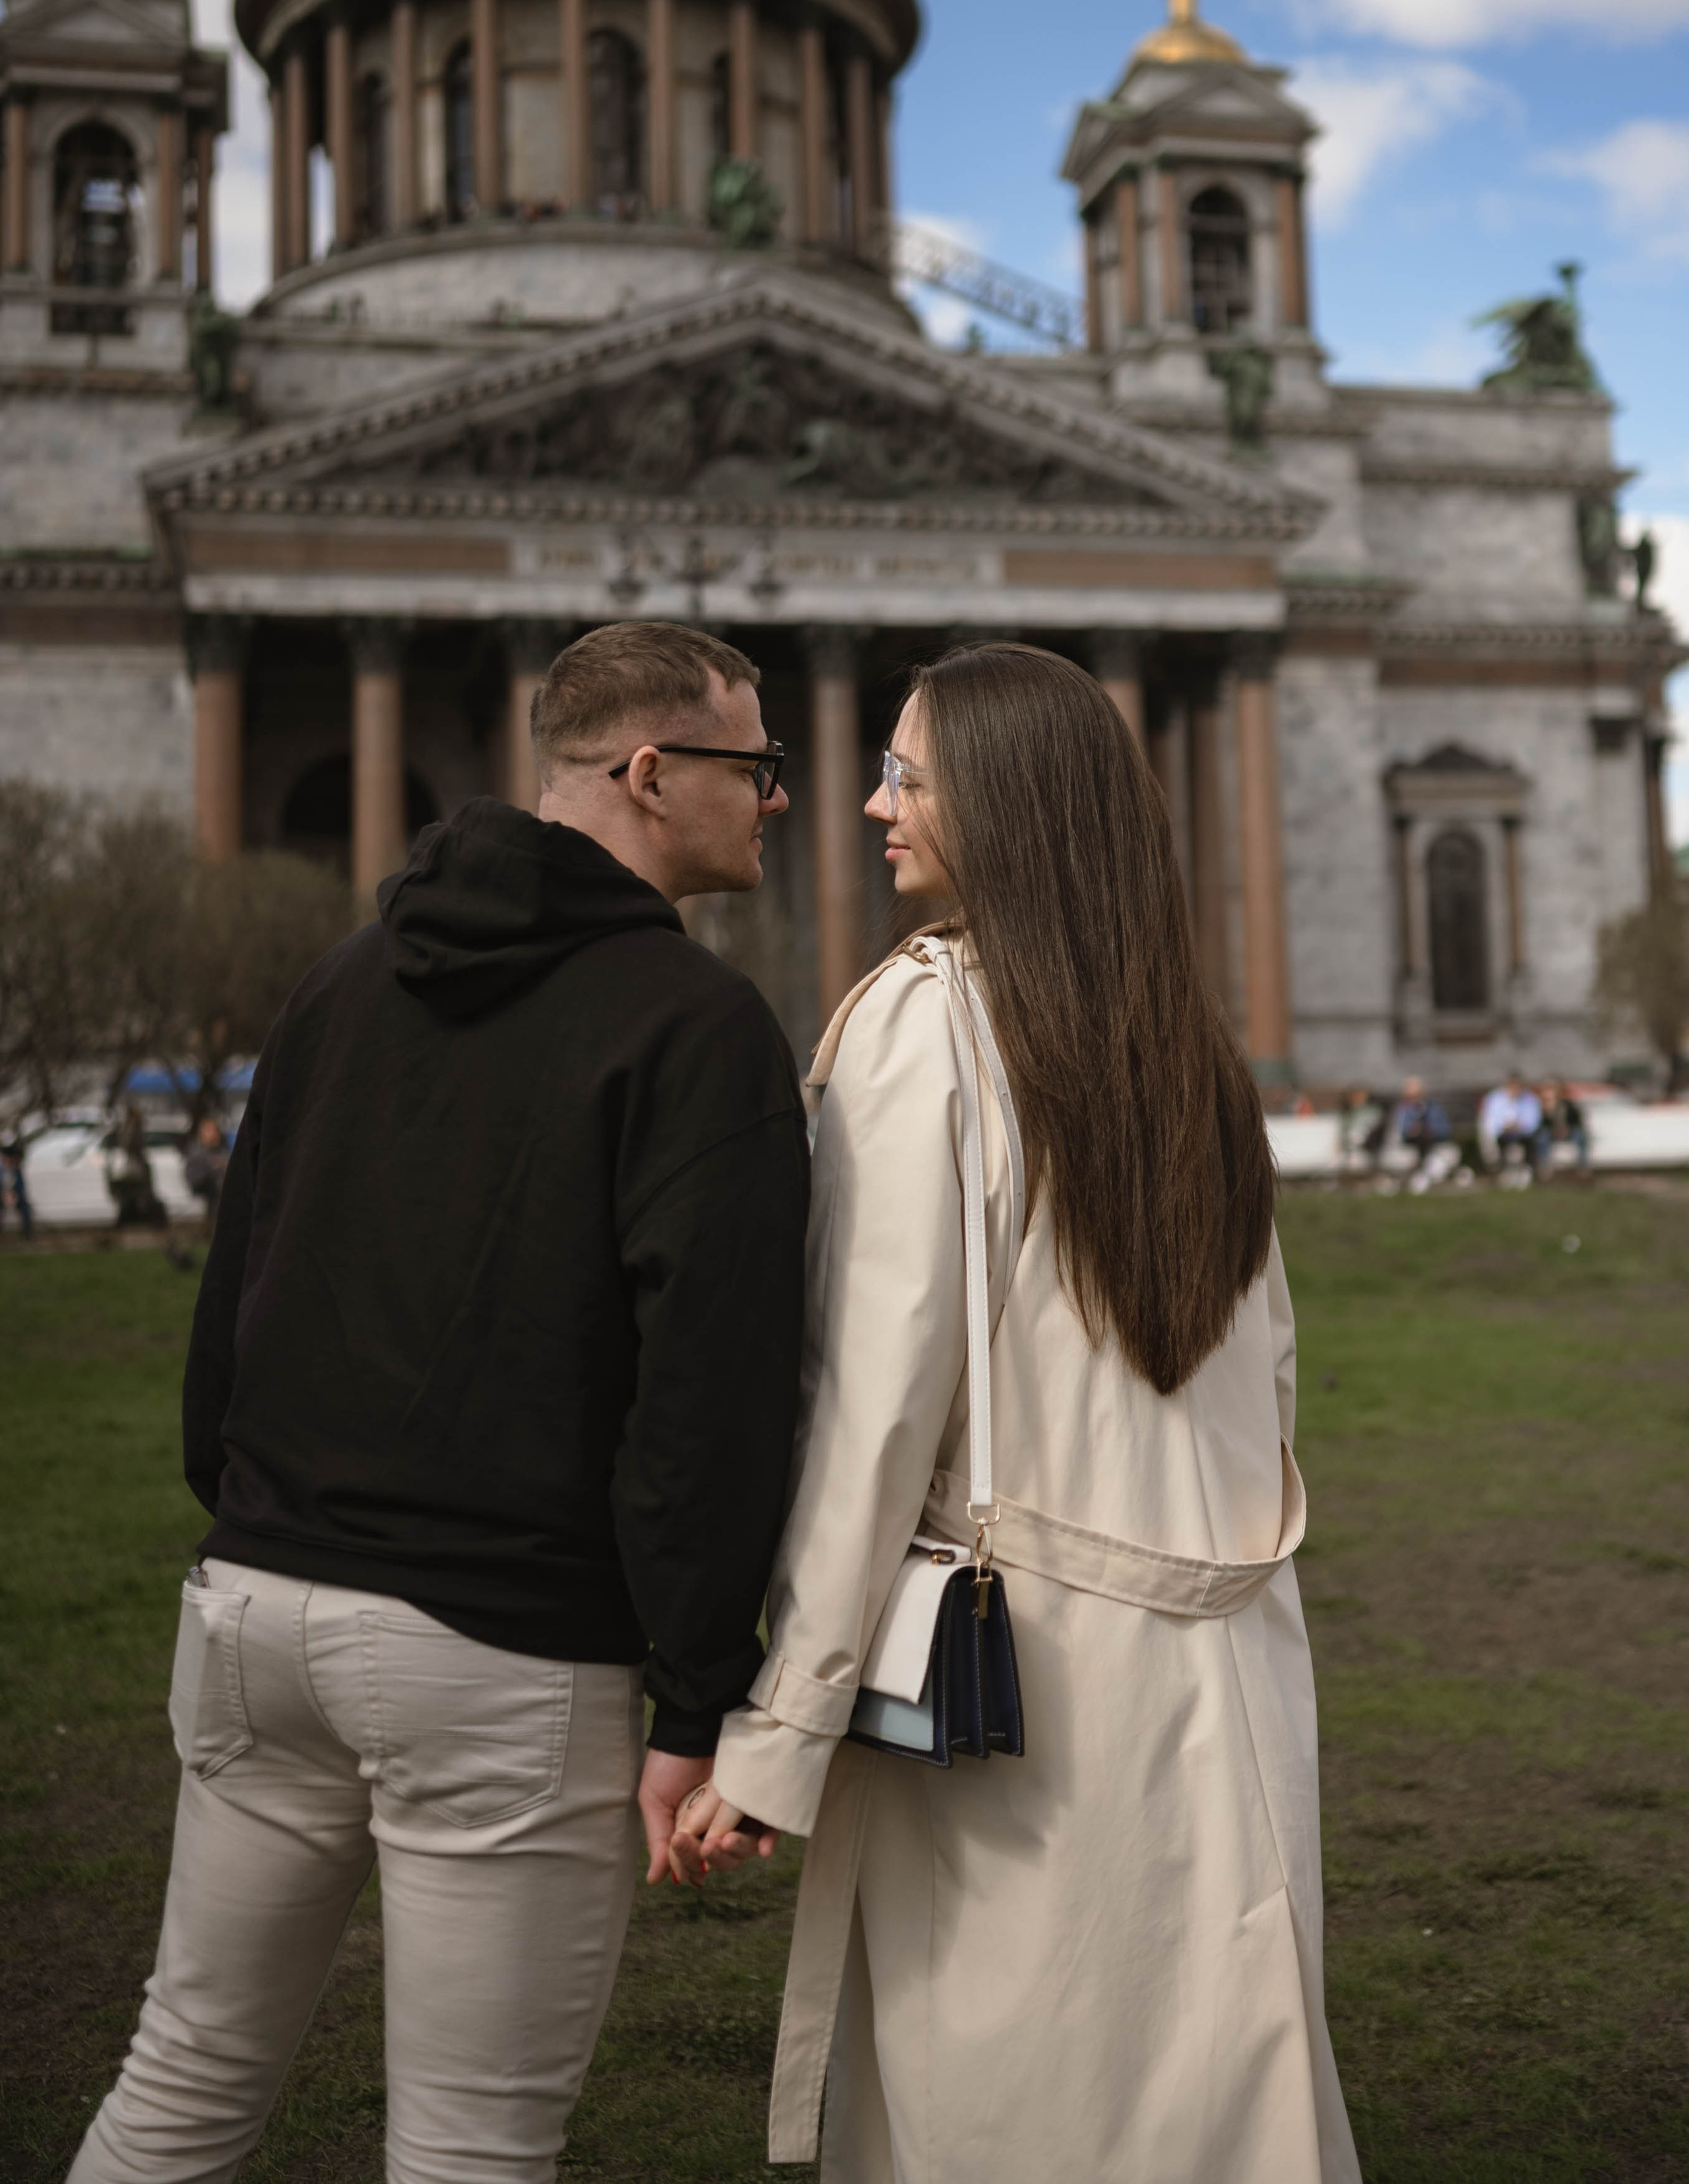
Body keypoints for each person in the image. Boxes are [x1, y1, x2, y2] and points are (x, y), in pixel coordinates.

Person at [69, 622, 809, 2184]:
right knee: (472, 2145)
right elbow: (707, 1399)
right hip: (504, 1654)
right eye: (756, 766)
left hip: (256, 1608)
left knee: (182, 2078)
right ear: (649, 771)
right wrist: (695, 1696)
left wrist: (255, 1511)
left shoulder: (343, 977)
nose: (782, 800)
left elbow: (237, 1293)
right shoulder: (695, 1024)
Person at [676, 643, 1360, 2183]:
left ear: (1008, 800)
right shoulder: (1191, 1049)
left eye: (906, 772)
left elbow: (864, 1419)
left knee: (1012, 2112)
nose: (866, 800)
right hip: (1233, 1668)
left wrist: (774, 1740)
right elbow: (1272, 1388)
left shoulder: (922, 1025)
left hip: (1012, 1702)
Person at [1478, 1073, 1546, 1178]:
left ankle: (1530, 1169)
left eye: (1517, 1086)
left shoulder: (1530, 1099)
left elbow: (1534, 1123)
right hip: (1502, 1135)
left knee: (1536, 1139)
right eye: (1512, 1085)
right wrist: (1505, 1127)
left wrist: (1520, 1127)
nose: (1514, 1089)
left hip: (1524, 1136)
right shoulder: (1495, 1099)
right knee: (1496, 1140)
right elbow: (1490, 1122)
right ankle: (1500, 1169)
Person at [181, 1114, 229, 1228]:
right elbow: (193, 1174)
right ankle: (214, 1225)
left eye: (213, 1131)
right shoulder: (196, 1151)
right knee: (217, 1191)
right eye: (208, 1131)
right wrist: (213, 1168)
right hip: (203, 1184)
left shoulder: (222, 1150)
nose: (211, 1135)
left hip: (220, 1185)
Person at [1539, 1080, 1589, 1175]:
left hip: (1568, 1132)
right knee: (1542, 1137)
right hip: (1552, 1133)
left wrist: (1568, 1129)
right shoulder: (1545, 1107)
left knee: (1580, 1136)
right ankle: (1544, 1166)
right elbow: (1542, 1125)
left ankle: (1583, 1166)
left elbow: (1577, 1121)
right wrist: (1549, 1112)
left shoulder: (1569, 1106)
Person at [0, 1135, 32, 1239]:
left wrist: (14, 1196)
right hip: (2, 1197)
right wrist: (4, 1195)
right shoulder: (2, 1170)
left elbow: (21, 1188)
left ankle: (27, 1234)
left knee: (26, 1208)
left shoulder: (17, 1171)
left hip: (15, 1197)